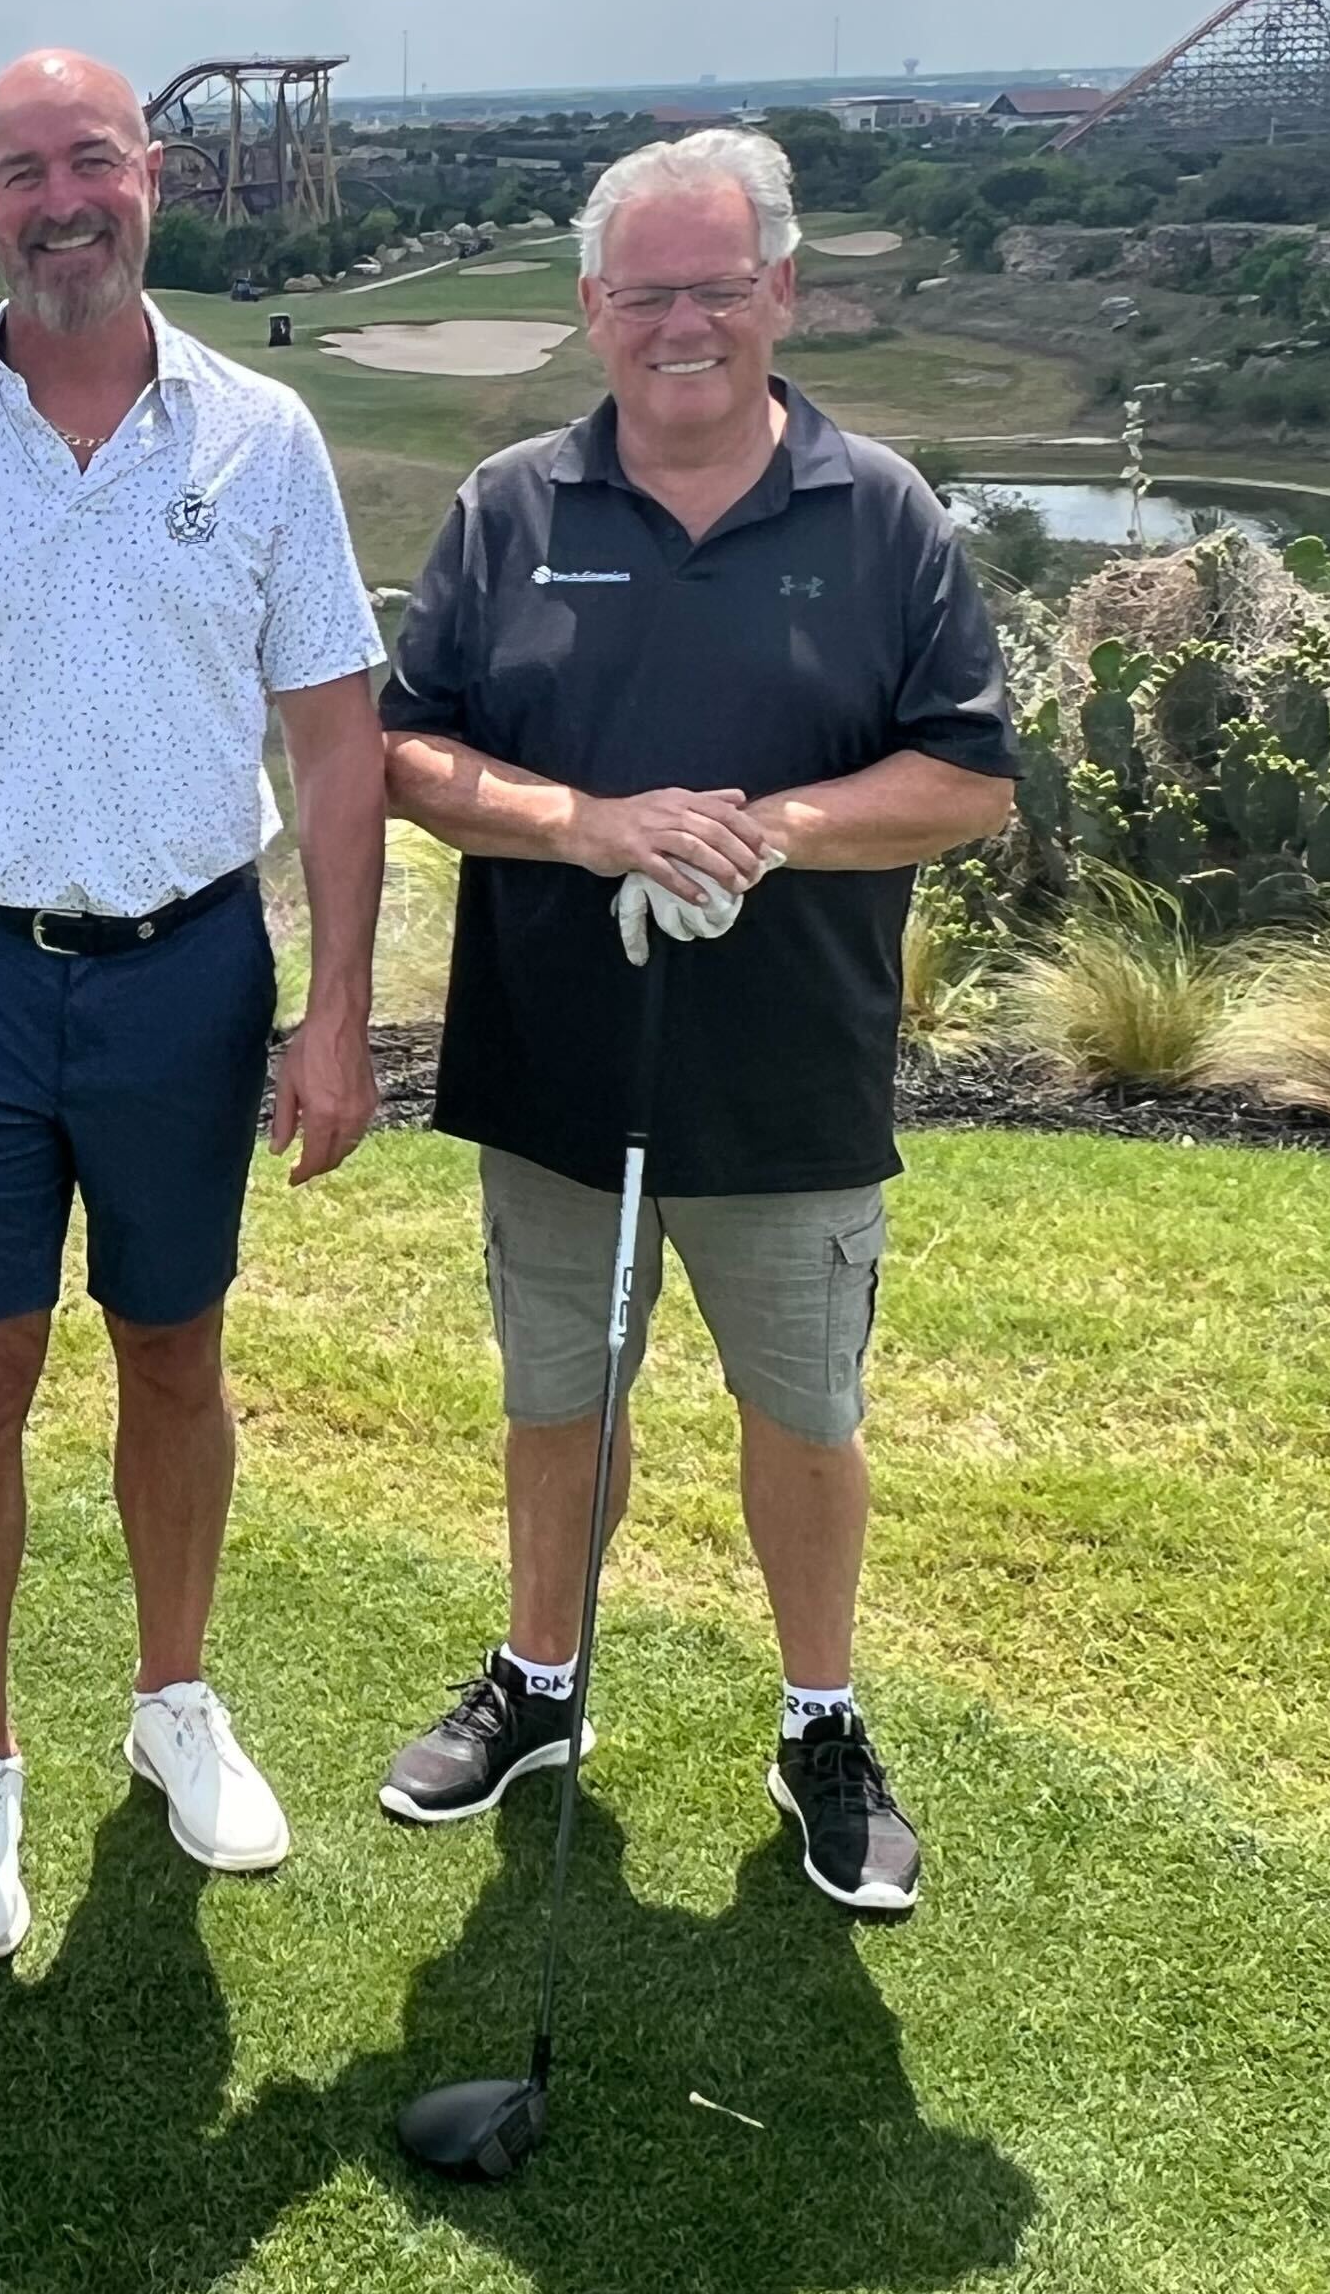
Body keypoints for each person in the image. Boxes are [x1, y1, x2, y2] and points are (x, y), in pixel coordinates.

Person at [0, 47, 388, 1963]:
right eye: (21, 171)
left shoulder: (260, 434)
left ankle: (172, 1697)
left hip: (189, 968)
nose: (61, 201)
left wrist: (341, 1008)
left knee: (174, 1348)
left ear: (150, 177)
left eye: (91, 160)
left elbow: (336, 738)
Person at [371, 124, 1017, 1915]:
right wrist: (591, 826)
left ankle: (821, 1722)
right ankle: (539, 1681)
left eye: (717, 289)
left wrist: (762, 830)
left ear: (779, 293)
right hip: (555, 1057)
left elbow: (968, 779)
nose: (682, 325)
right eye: (645, 293)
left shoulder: (879, 513)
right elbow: (409, 754)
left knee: (802, 1411)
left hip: (793, 1069)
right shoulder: (512, 507)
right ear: (593, 308)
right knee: (559, 1397)